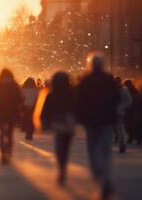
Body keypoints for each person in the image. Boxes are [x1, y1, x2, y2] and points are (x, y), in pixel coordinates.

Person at [76, 52, 120, 199]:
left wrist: (80, 118)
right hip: (107, 120)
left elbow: (79, 100)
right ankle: (106, 177)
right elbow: (116, 98)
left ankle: (98, 176)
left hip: (91, 120)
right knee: (106, 150)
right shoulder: (109, 79)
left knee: (93, 148)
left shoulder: (86, 80)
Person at [41, 72, 76, 186]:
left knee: (59, 147)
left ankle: (62, 169)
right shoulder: (72, 93)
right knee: (66, 148)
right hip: (69, 123)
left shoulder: (51, 94)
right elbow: (78, 107)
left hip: (57, 124)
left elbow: (45, 110)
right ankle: (63, 167)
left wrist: (44, 123)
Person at [0, 69, 22, 165]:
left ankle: (3, 153)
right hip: (12, 113)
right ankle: (9, 152)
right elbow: (20, 99)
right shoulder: (14, 86)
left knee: (2, 133)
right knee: (10, 134)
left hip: (1, 113)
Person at [114, 77, 132, 153]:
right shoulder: (111, 89)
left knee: (119, 129)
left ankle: (122, 144)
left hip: (118, 112)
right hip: (111, 112)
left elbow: (129, 100)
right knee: (115, 129)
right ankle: (120, 143)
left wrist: (122, 106)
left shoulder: (124, 90)